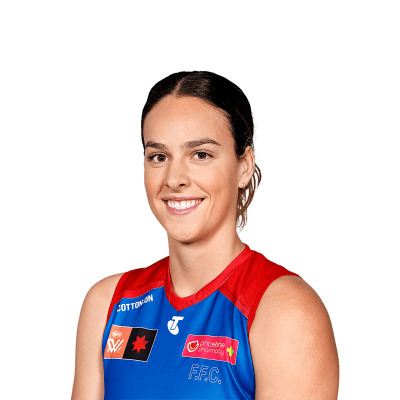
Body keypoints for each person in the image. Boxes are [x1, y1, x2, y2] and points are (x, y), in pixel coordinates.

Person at [71, 70, 340, 400]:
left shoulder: (285, 311)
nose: (174, 178)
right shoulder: (108, 303)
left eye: (200, 154)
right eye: (159, 157)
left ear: (244, 166)